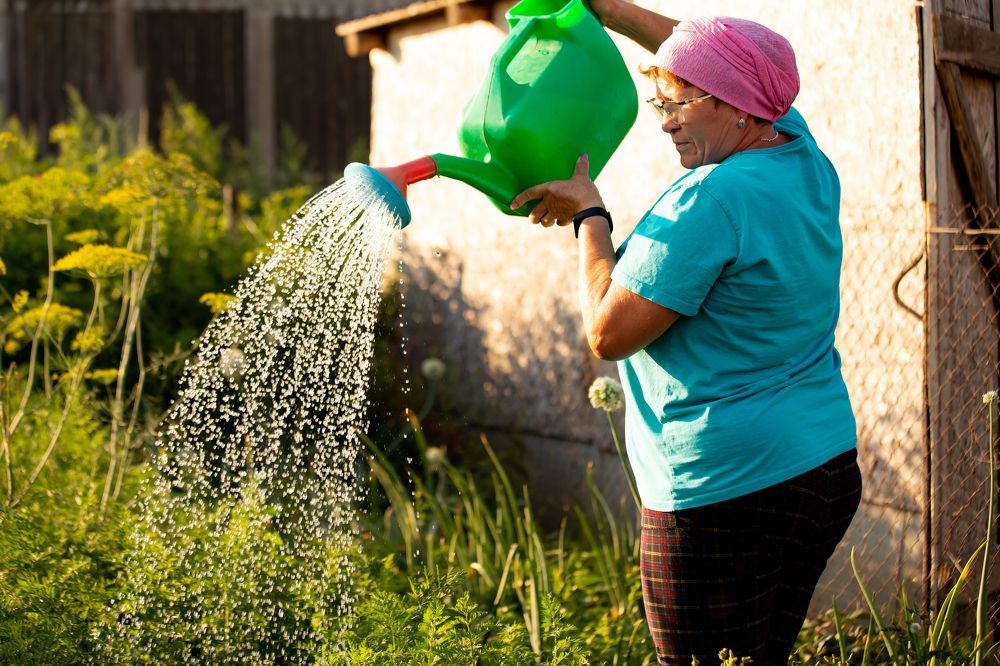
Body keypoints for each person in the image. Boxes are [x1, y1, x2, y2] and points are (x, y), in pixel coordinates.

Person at [509, 3, 862, 664]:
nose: (665, 120)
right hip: (823, 470)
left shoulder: (709, 199)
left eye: (681, 103)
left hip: (725, 491)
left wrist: (590, 215)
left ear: (738, 108)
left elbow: (608, 334)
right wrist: (607, 9)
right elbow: (707, 54)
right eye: (659, 100)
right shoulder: (798, 150)